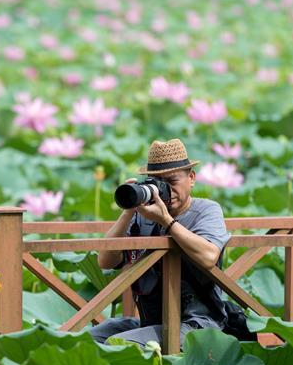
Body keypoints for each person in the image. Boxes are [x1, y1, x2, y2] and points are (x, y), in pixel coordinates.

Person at [90, 138, 231, 347]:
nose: (166, 191)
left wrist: (166, 220)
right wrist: (129, 210)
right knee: (88, 339)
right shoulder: (142, 215)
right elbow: (105, 260)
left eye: (172, 182)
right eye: (159, 184)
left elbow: (209, 256)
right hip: (153, 323)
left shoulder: (207, 210)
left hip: (198, 324)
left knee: (117, 344)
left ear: (191, 178)